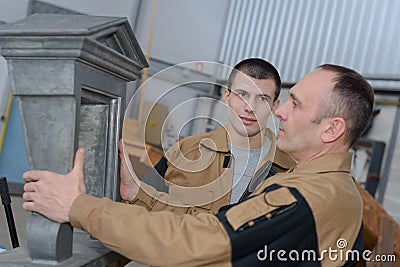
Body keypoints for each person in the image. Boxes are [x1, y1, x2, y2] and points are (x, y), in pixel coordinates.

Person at [22, 64, 374, 266]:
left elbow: (199, 239)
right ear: (226, 96)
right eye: (242, 94)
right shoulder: (334, 190)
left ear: (331, 129)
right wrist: (135, 191)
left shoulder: (300, 195)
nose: (279, 113)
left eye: (293, 104)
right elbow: (187, 216)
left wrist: (78, 207)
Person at [121, 58, 294, 214]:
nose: (250, 108)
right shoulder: (185, 152)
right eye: (242, 95)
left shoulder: (291, 169)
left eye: (262, 99)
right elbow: (137, 208)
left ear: (274, 106)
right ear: (227, 97)